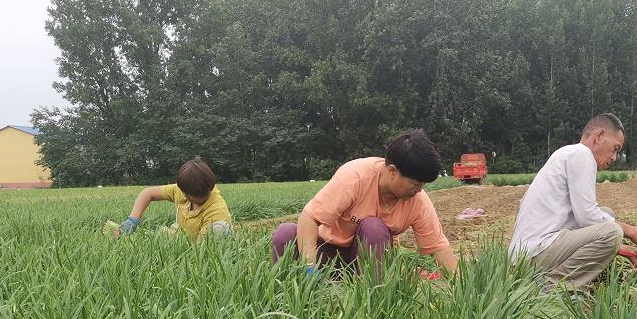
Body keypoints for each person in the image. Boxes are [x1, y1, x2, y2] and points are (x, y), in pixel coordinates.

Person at [271, 130, 458, 275]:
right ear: (393, 171)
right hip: (327, 251)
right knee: (284, 233)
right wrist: (309, 266)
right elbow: (309, 217)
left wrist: (464, 288)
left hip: (369, 263)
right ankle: (292, 297)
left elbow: (437, 247)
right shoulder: (355, 177)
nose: (419, 189)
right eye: (416, 183)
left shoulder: (417, 200)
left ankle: (372, 300)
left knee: (373, 227)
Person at [508, 113, 637, 291]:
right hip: (534, 254)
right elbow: (587, 216)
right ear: (599, 136)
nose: (614, 157)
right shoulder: (582, 155)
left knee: (607, 214)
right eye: (615, 149)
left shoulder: (568, 153)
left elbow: (581, 220)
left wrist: (625, 250)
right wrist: (630, 231)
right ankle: (548, 288)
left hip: (530, 252)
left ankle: (585, 278)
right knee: (612, 232)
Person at [115, 157, 232, 243]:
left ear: (206, 190)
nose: (185, 196)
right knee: (147, 240)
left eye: (189, 194)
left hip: (198, 246)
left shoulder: (217, 214)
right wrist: (132, 220)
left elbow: (200, 254)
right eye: (184, 192)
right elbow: (147, 193)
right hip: (181, 237)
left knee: (221, 229)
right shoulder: (185, 191)